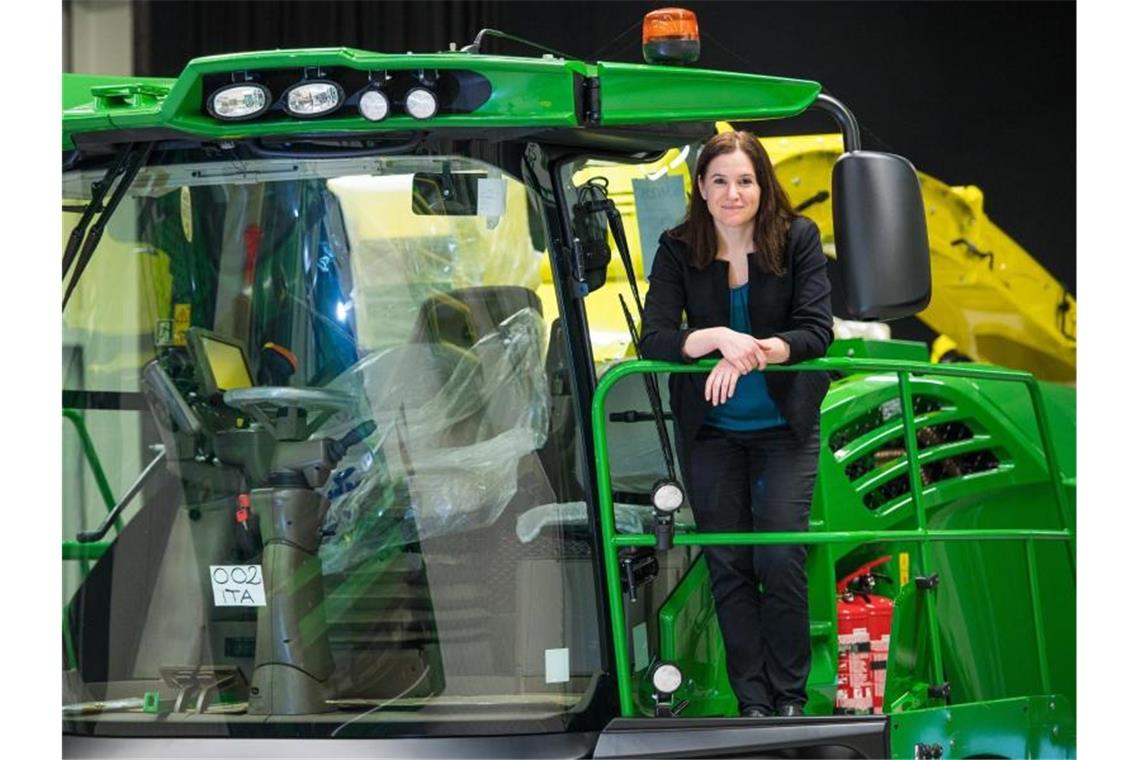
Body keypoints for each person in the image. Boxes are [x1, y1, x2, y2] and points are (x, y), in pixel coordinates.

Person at [639, 130, 833, 718]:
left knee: (779, 557)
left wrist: (755, 352)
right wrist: (719, 338)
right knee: (729, 564)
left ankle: (789, 700)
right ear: (700, 187)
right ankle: (752, 702)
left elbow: (816, 330)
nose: (732, 193)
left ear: (762, 184)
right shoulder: (678, 247)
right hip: (713, 432)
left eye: (744, 180)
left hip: (783, 427)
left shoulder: (798, 238)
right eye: (719, 181)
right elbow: (655, 336)